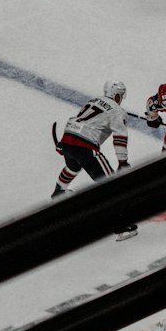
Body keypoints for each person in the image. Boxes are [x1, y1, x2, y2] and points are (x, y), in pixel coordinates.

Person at [50, 81, 138, 242]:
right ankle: (120, 227)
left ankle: (59, 192)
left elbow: (79, 121)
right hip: (86, 146)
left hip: (69, 136)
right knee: (111, 185)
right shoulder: (118, 111)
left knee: (72, 166)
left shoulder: (94, 100)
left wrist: (64, 142)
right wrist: (123, 162)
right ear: (118, 95)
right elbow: (120, 137)